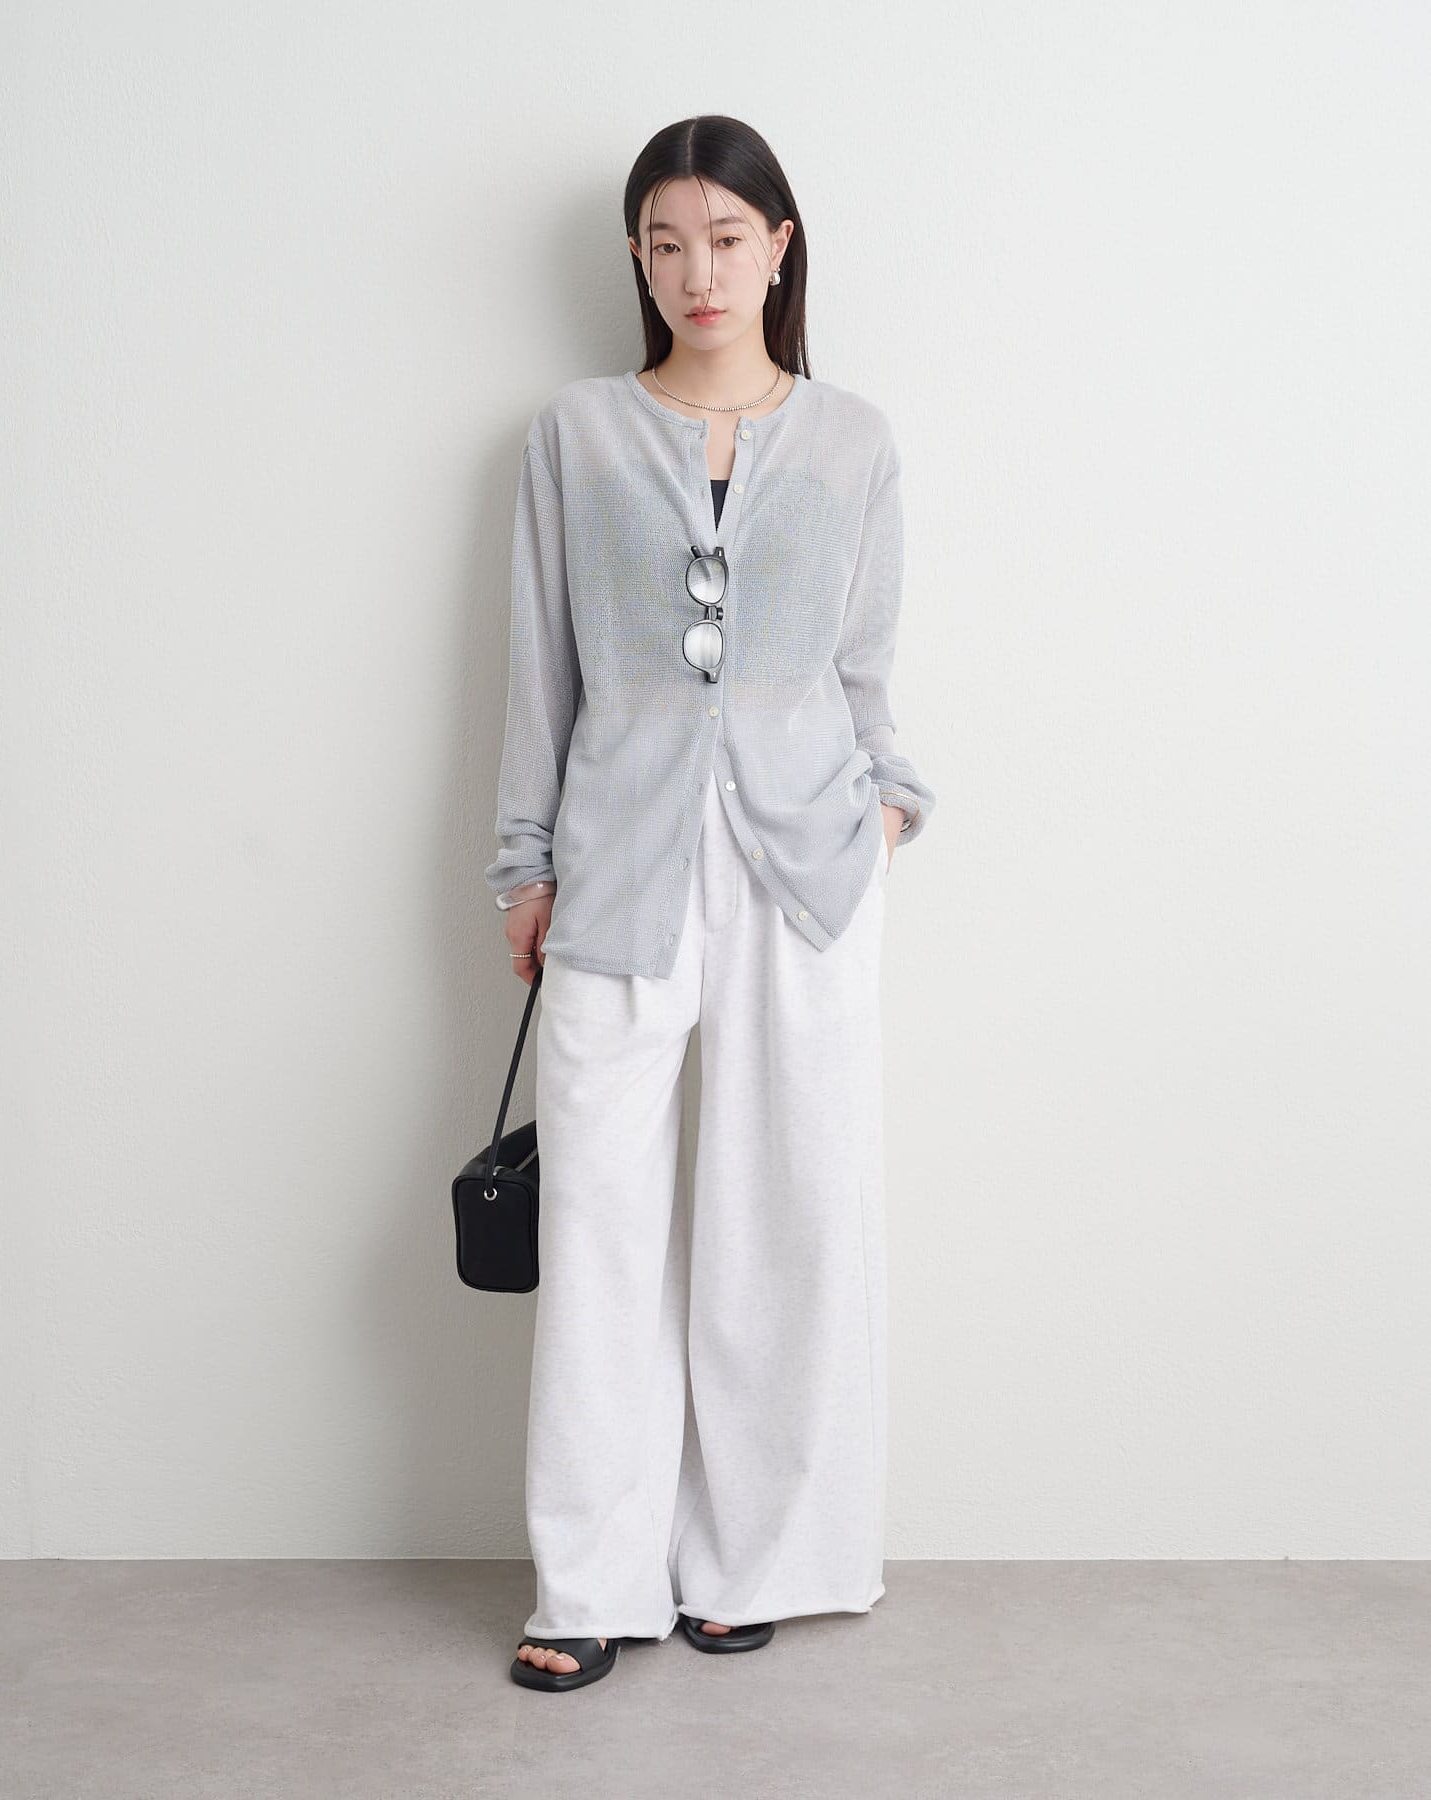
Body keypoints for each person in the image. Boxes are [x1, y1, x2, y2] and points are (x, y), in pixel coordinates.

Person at [484, 114, 936, 1693]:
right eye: (666, 242)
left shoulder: (856, 440)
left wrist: (888, 806)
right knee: (599, 1221)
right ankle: (589, 1584)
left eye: (727, 239)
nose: (699, 272)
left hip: (808, 874)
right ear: (637, 256)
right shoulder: (575, 433)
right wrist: (525, 860)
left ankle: (761, 1561)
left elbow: (868, 665)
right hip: (618, 867)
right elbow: (540, 663)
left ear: (779, 245)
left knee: (785, 1216)